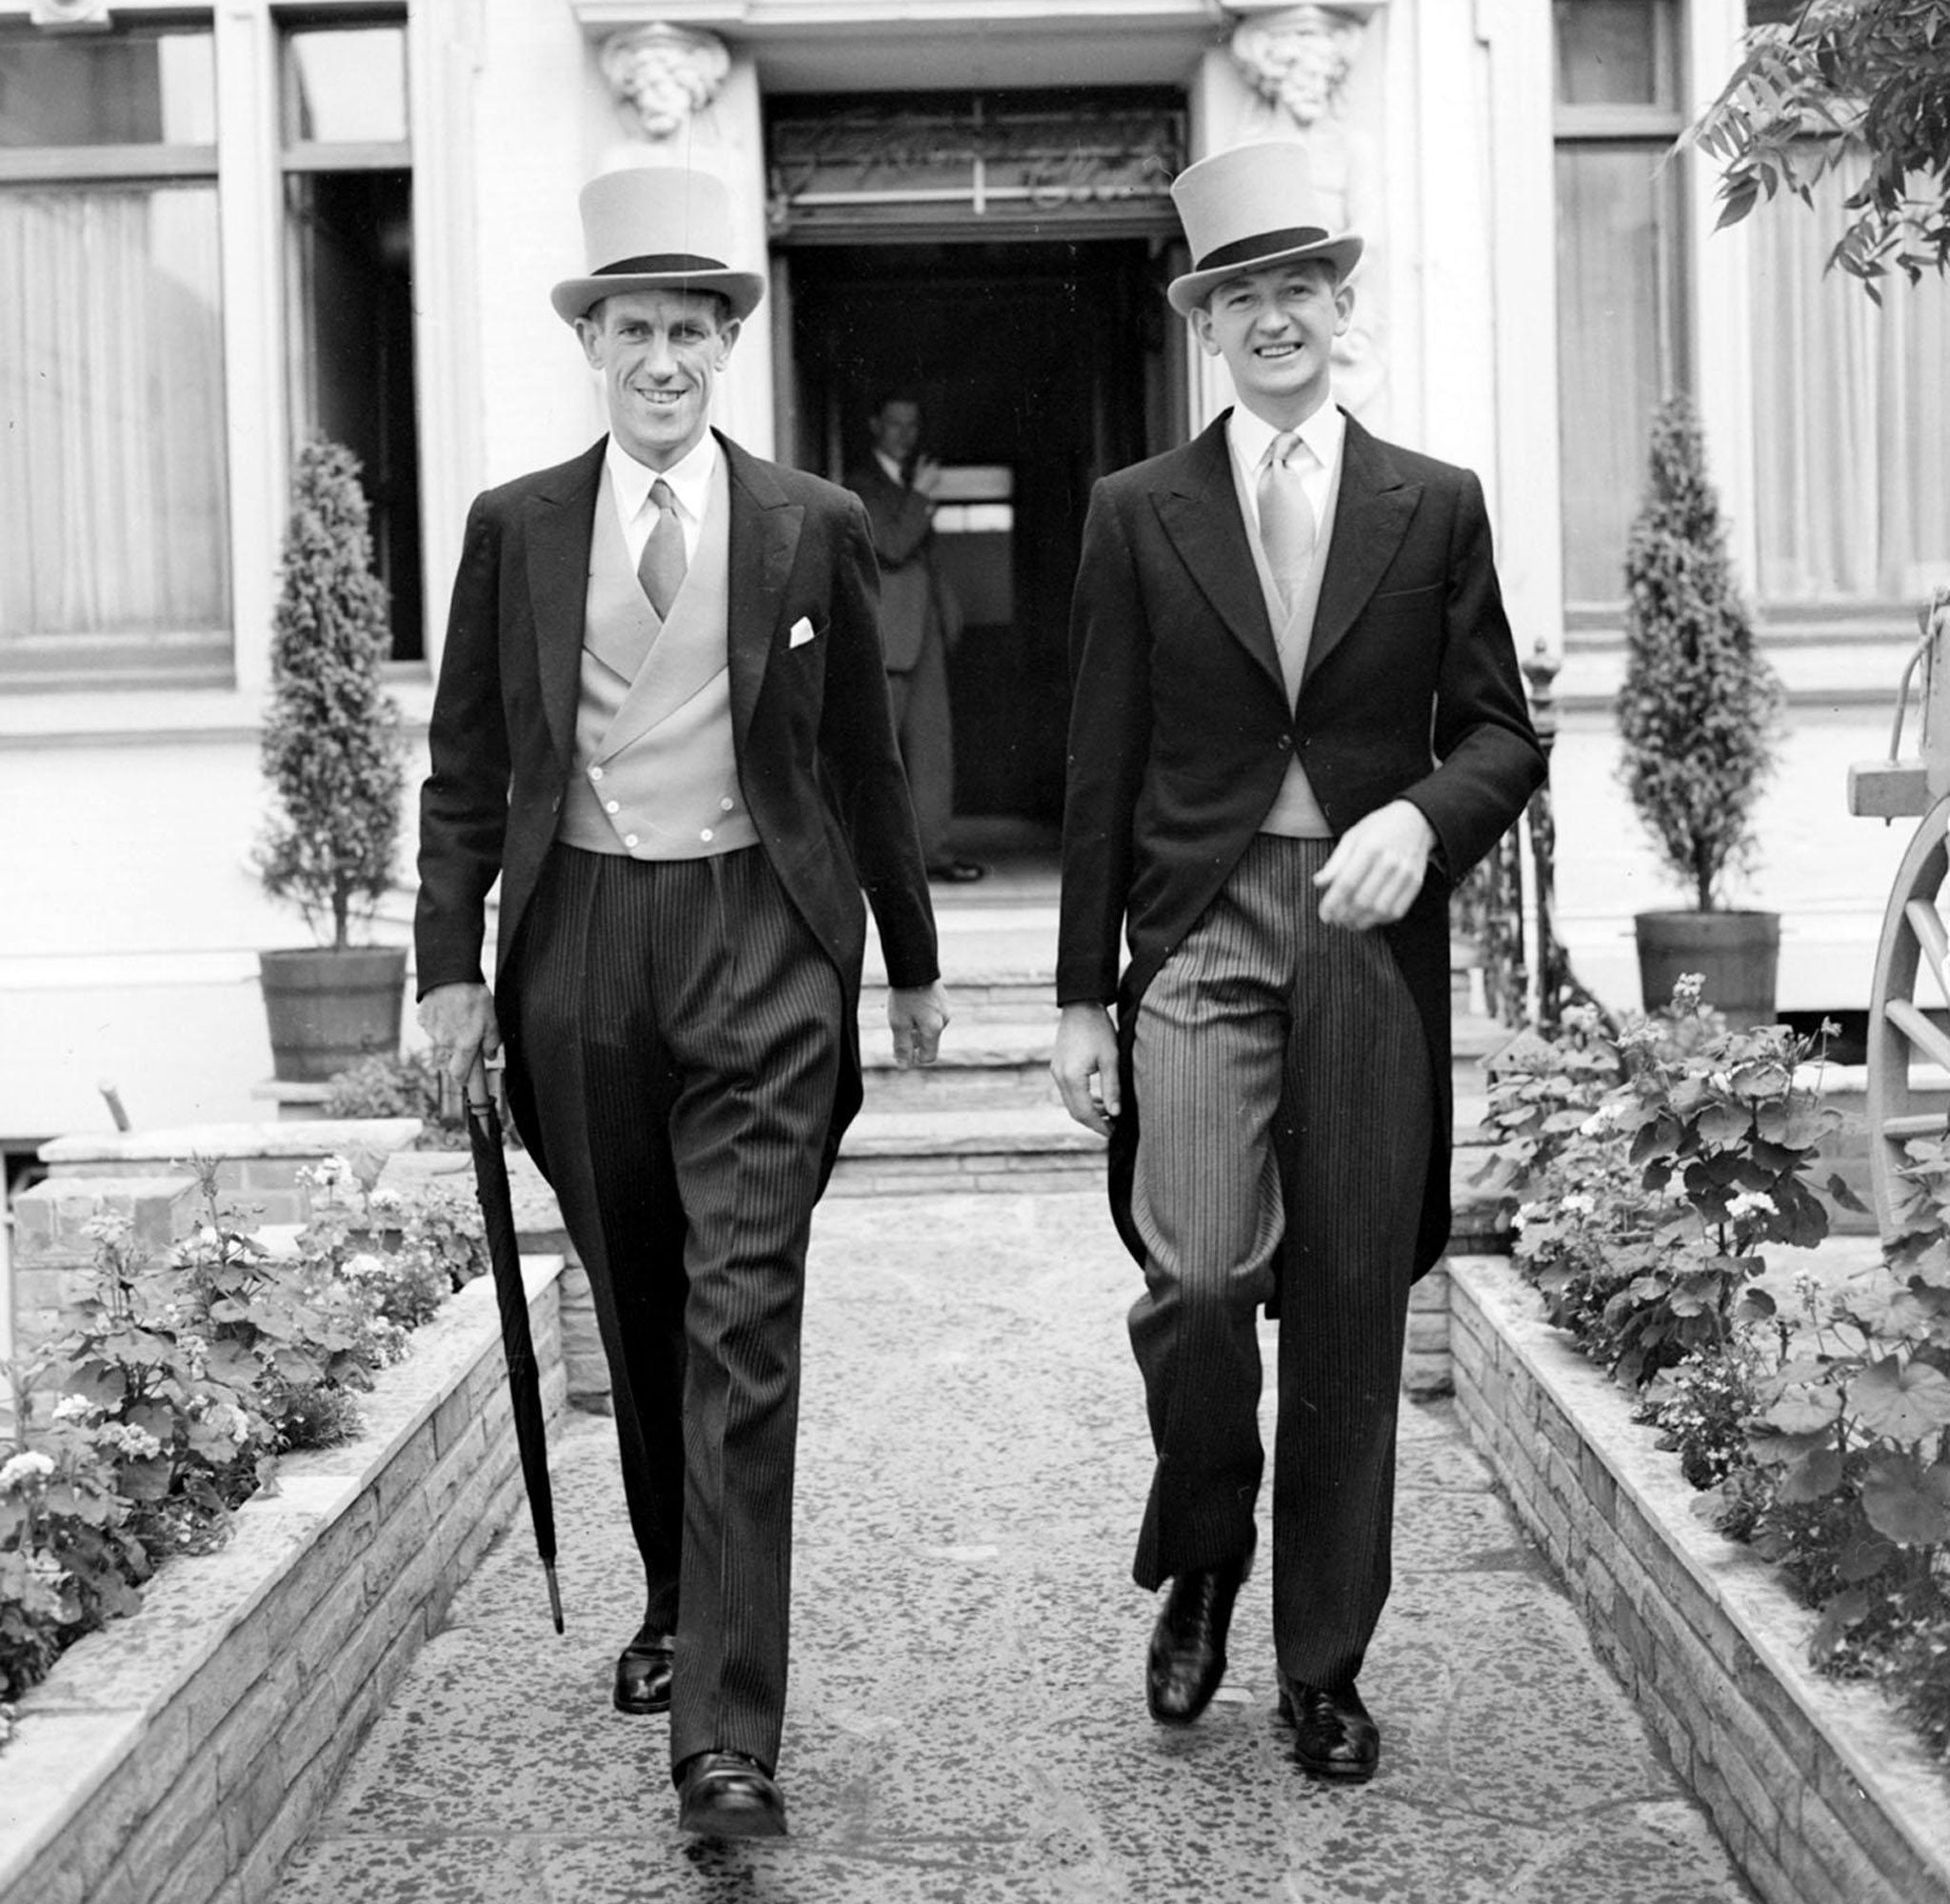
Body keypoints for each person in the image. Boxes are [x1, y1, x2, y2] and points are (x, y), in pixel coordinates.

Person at [414, 165, 948, 1839]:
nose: (662, 357)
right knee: (641, 1304)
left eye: (689, 328)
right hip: (580, 943)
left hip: (757, 938)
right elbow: (461, 773)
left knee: (739, 1315)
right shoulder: (515, 526)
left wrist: (913, 962)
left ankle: (727, 1733)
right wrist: (446, 972)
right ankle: (674, 1591)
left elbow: (861, 764)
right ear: (596, 344)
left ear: (725, 342)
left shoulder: (809, 524)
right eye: (633, 327)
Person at [1051, 143, 1544, 1784]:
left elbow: (1497, 735)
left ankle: (1320, 1665)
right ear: (1204, 328)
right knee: (1196, 1276)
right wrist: (1074, 996)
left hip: (1361, 934)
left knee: (1343, 1305)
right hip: (1194, 929)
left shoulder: (1433, 503)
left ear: (1343, 308)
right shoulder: (1135, 514)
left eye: (1295, 288)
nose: (1271, 318)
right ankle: (1205, 1541)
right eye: (1235, 296)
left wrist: (1421, 817)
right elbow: (1095, 761)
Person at [846, 394, 986, 883]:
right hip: (887, 635)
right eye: (895, 424)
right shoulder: (860, 483)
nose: (904, 434)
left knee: (933, 750)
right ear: (874, 425)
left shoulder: (908, 482)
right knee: (877, 754)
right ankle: (866, 863)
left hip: (924, 631)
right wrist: (924, 496)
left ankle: (934, 856)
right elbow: (892, 545)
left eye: (912, 425)